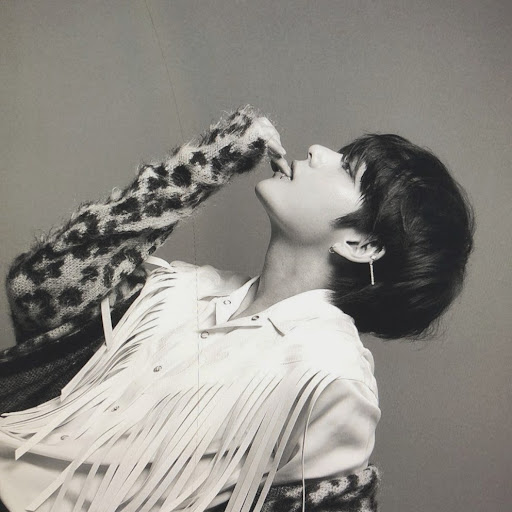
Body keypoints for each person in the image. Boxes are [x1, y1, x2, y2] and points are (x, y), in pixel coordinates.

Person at [0, 105, 474, 512]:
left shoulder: (331, 378)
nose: (318, 151)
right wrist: (203, 165)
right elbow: (37, 289)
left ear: (361, 245)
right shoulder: (179, 288)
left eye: (348, 169)